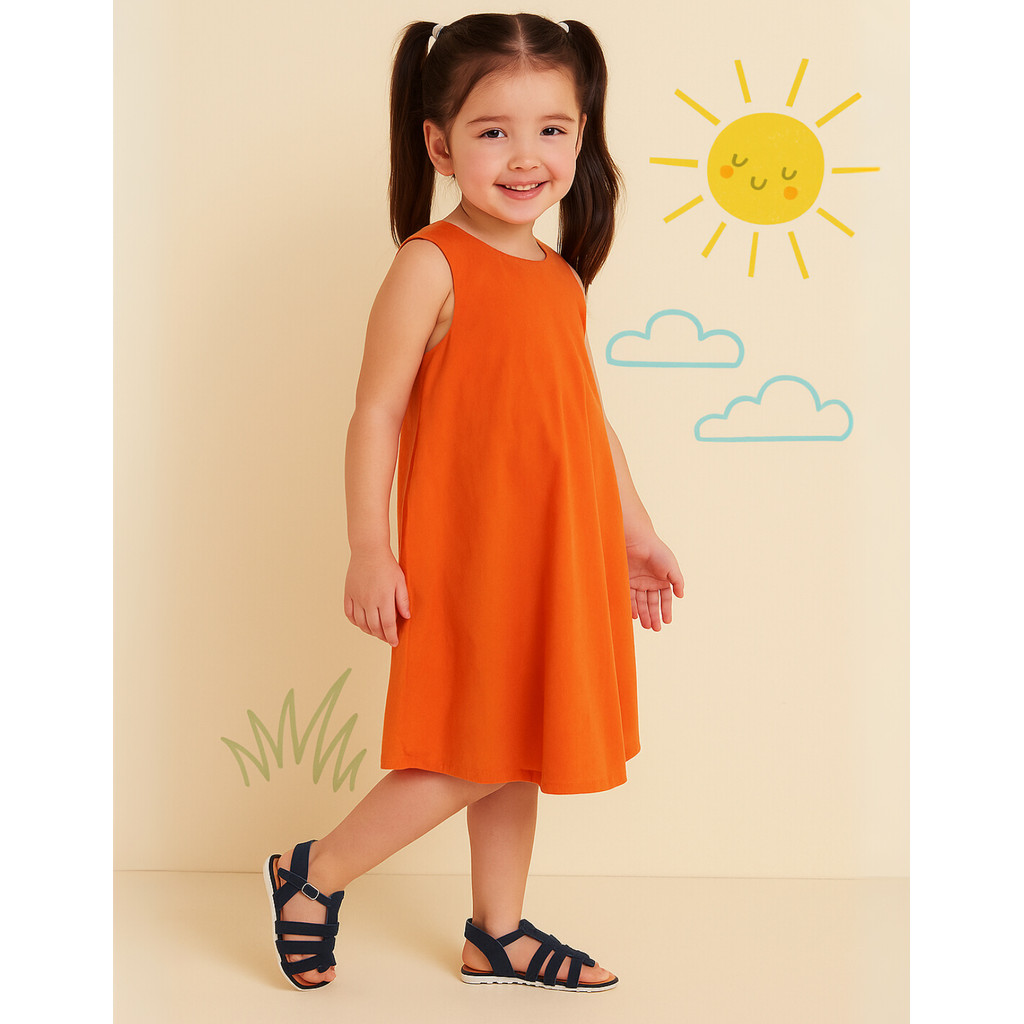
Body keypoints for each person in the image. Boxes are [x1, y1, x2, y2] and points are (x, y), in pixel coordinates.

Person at [265, 13, 684, 994]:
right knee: (474, 744)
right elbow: (375, 412)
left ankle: (498, 932)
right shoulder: (431, 263)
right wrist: (369, 547)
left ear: (582, 137)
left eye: (552, 128)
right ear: (440, 143)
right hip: (476, 554)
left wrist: (634, 529)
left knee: (518, 742)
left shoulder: (560, 278)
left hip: (555, 551)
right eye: (494, 130)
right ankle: (314, 871)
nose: (526, 155)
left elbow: (584, 421)